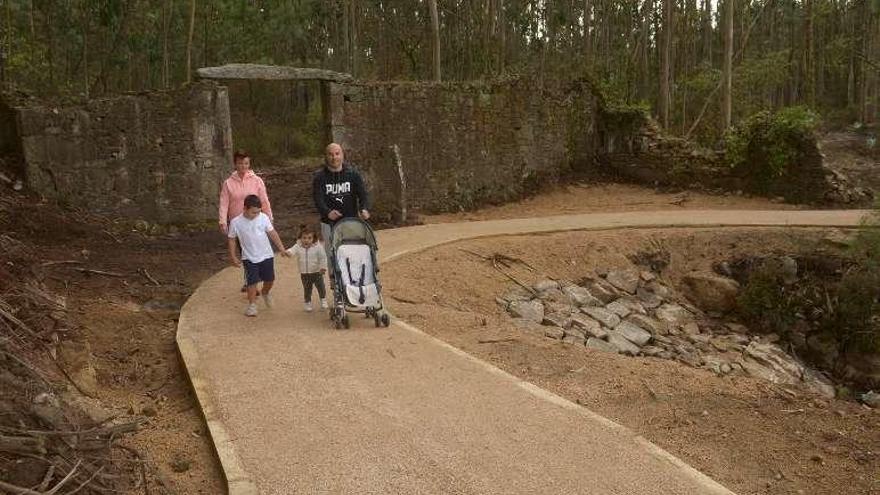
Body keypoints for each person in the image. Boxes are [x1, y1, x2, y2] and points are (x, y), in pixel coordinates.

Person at [312, 143, 370, 286]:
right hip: (329, 223)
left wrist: (364, 208)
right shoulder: (320, 178)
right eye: (331, 154)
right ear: (326, 156)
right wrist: (327, 212)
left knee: (353, 252)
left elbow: (363, 195)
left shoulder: (353, 175)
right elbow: (318, 199)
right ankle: (336, 286)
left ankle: (355, 284)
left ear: (342, 155)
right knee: (332, 254)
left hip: (351, 222)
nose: (334, 157)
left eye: (337, 154)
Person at [219, 150, 274, 292]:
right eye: (240, 163)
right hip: (238, 224)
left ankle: (258, 276)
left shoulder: (257, 181)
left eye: (246, 163)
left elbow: (264, 200)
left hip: (256, 221)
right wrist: (223, 220)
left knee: (258, 249)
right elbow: (224, 202)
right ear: (235, 164)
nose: (243, 166)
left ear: (249, 164)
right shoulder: (228, 183)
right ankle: (251, 281)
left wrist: (269, 216)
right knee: (245, 252)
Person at [227, 195, 290, 317]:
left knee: (270, 279)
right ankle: (252, 305)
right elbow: (231, 239)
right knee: (252, 282)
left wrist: (281, 248)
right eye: (253, 212)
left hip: (266, 255)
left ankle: (265, 292)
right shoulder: (236, 222)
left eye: (258, 212)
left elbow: (272, 233)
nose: (256, 214)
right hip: (249, 258)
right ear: (245, 208)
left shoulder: (263, 218)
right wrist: (233, 256)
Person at [287, 225, 329, 312]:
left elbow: (323, 257)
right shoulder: (298, 246)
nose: (306, 240)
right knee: (307, 288)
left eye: (309, 238)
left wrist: (323, 267)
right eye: (304, 238)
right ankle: (307, 302)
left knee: (321, 287)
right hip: (304, 273)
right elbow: (292, 251)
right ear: (300, 238)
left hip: (317, 272)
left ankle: (323, 299)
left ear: (313, 238)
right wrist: (287, 253)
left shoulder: (318, 247)